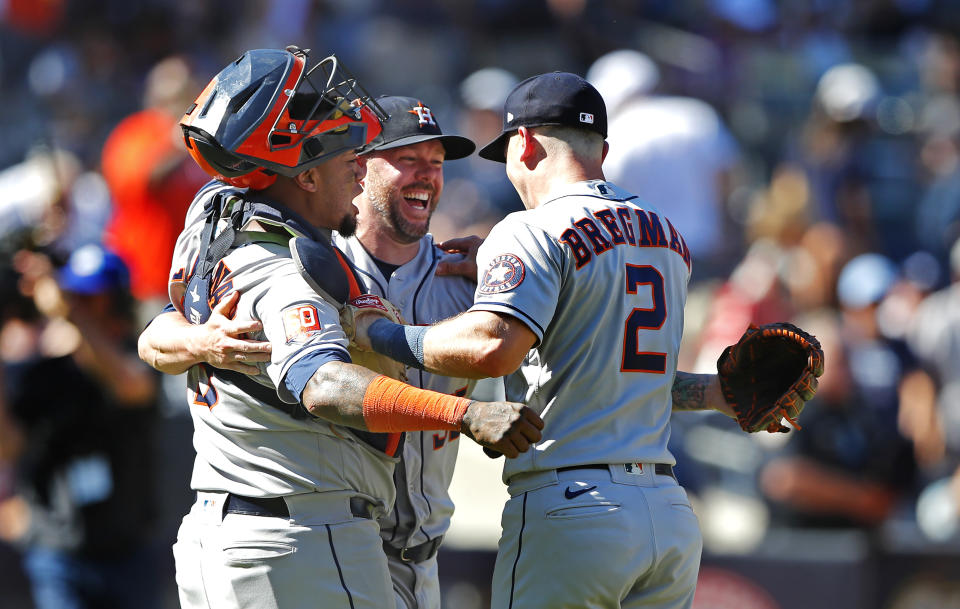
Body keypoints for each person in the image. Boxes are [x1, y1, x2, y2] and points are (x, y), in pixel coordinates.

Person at [136, 47, 542, 609]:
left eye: (437, 159)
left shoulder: (223, 219)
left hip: (244, 533)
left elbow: (158, 328)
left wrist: (196, 341)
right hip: (303, 533)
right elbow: (323, 383)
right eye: (349, 154)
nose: (352, 166)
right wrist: (465, 412)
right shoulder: (293, 269)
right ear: (304, 173)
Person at [350, 72, 762, 609]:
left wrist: (382, 333)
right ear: (603, 149)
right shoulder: (666, 238)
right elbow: (615, 370)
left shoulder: (530, 228)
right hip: (666, 512)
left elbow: (491, 349)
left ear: (523, 143)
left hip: (575, 506)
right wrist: (711, 393)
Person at [0, 243, 161, 609]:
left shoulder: (141, 353)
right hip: (59, 551)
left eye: (95, 299)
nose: (87, 308)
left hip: (129, 549)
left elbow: (128, 385)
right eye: (78, 297)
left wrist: (69, 313)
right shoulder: (40, 372)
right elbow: (8, 446)